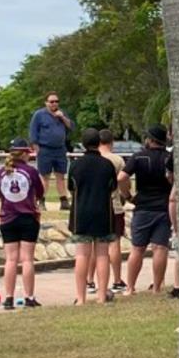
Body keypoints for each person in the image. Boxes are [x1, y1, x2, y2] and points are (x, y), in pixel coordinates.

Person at [119, 125, 174, 296]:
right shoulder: (169, 158)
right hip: (164, 207)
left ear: (150, 140)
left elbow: (121, 177)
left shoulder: (138, 157)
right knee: (160, 248)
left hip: (142, 206)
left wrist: (128, 195)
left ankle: (130, 287)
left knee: (137, 248)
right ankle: (157, 288)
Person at [68, 128, 118, 305]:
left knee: (82, 254)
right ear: (99, 143)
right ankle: (101, 296)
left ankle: (80, 298)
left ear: (83, 143)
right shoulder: (107, 165)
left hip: (81, 213)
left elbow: (71, 187)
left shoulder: (75, 165)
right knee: (102, 254)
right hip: (103, 212)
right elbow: (113, 187)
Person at [0, 138, 45, 309]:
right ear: (25, 153)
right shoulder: (30, 171)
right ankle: (29, 297)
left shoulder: (1, 172)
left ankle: (8, 297)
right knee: (27, 259)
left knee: (10, 259)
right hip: (28, 217)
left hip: (7, 217)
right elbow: (40, 192)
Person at [97, 129, 129, 293]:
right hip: (114, 204)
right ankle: (116, 279)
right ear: (112, 142)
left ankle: (90, 280)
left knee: (93, 244)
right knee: (114, 243)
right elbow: (124, 181)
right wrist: (127, 195)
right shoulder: (117, 160)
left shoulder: (93, 159)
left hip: (95, 205)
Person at [28, 92, 73, 210]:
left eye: (56, 101)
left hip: (60, 149)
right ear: (46, 103)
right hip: (45, 149)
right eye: (52, 102)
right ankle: (41, 201)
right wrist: (37, 149)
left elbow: (71, 127)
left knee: (61, 176)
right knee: (45, 177)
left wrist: (62, 117)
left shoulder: (62, 113)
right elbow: (33, 133)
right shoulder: (39, 115)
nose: (54, 104)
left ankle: (63, 201)